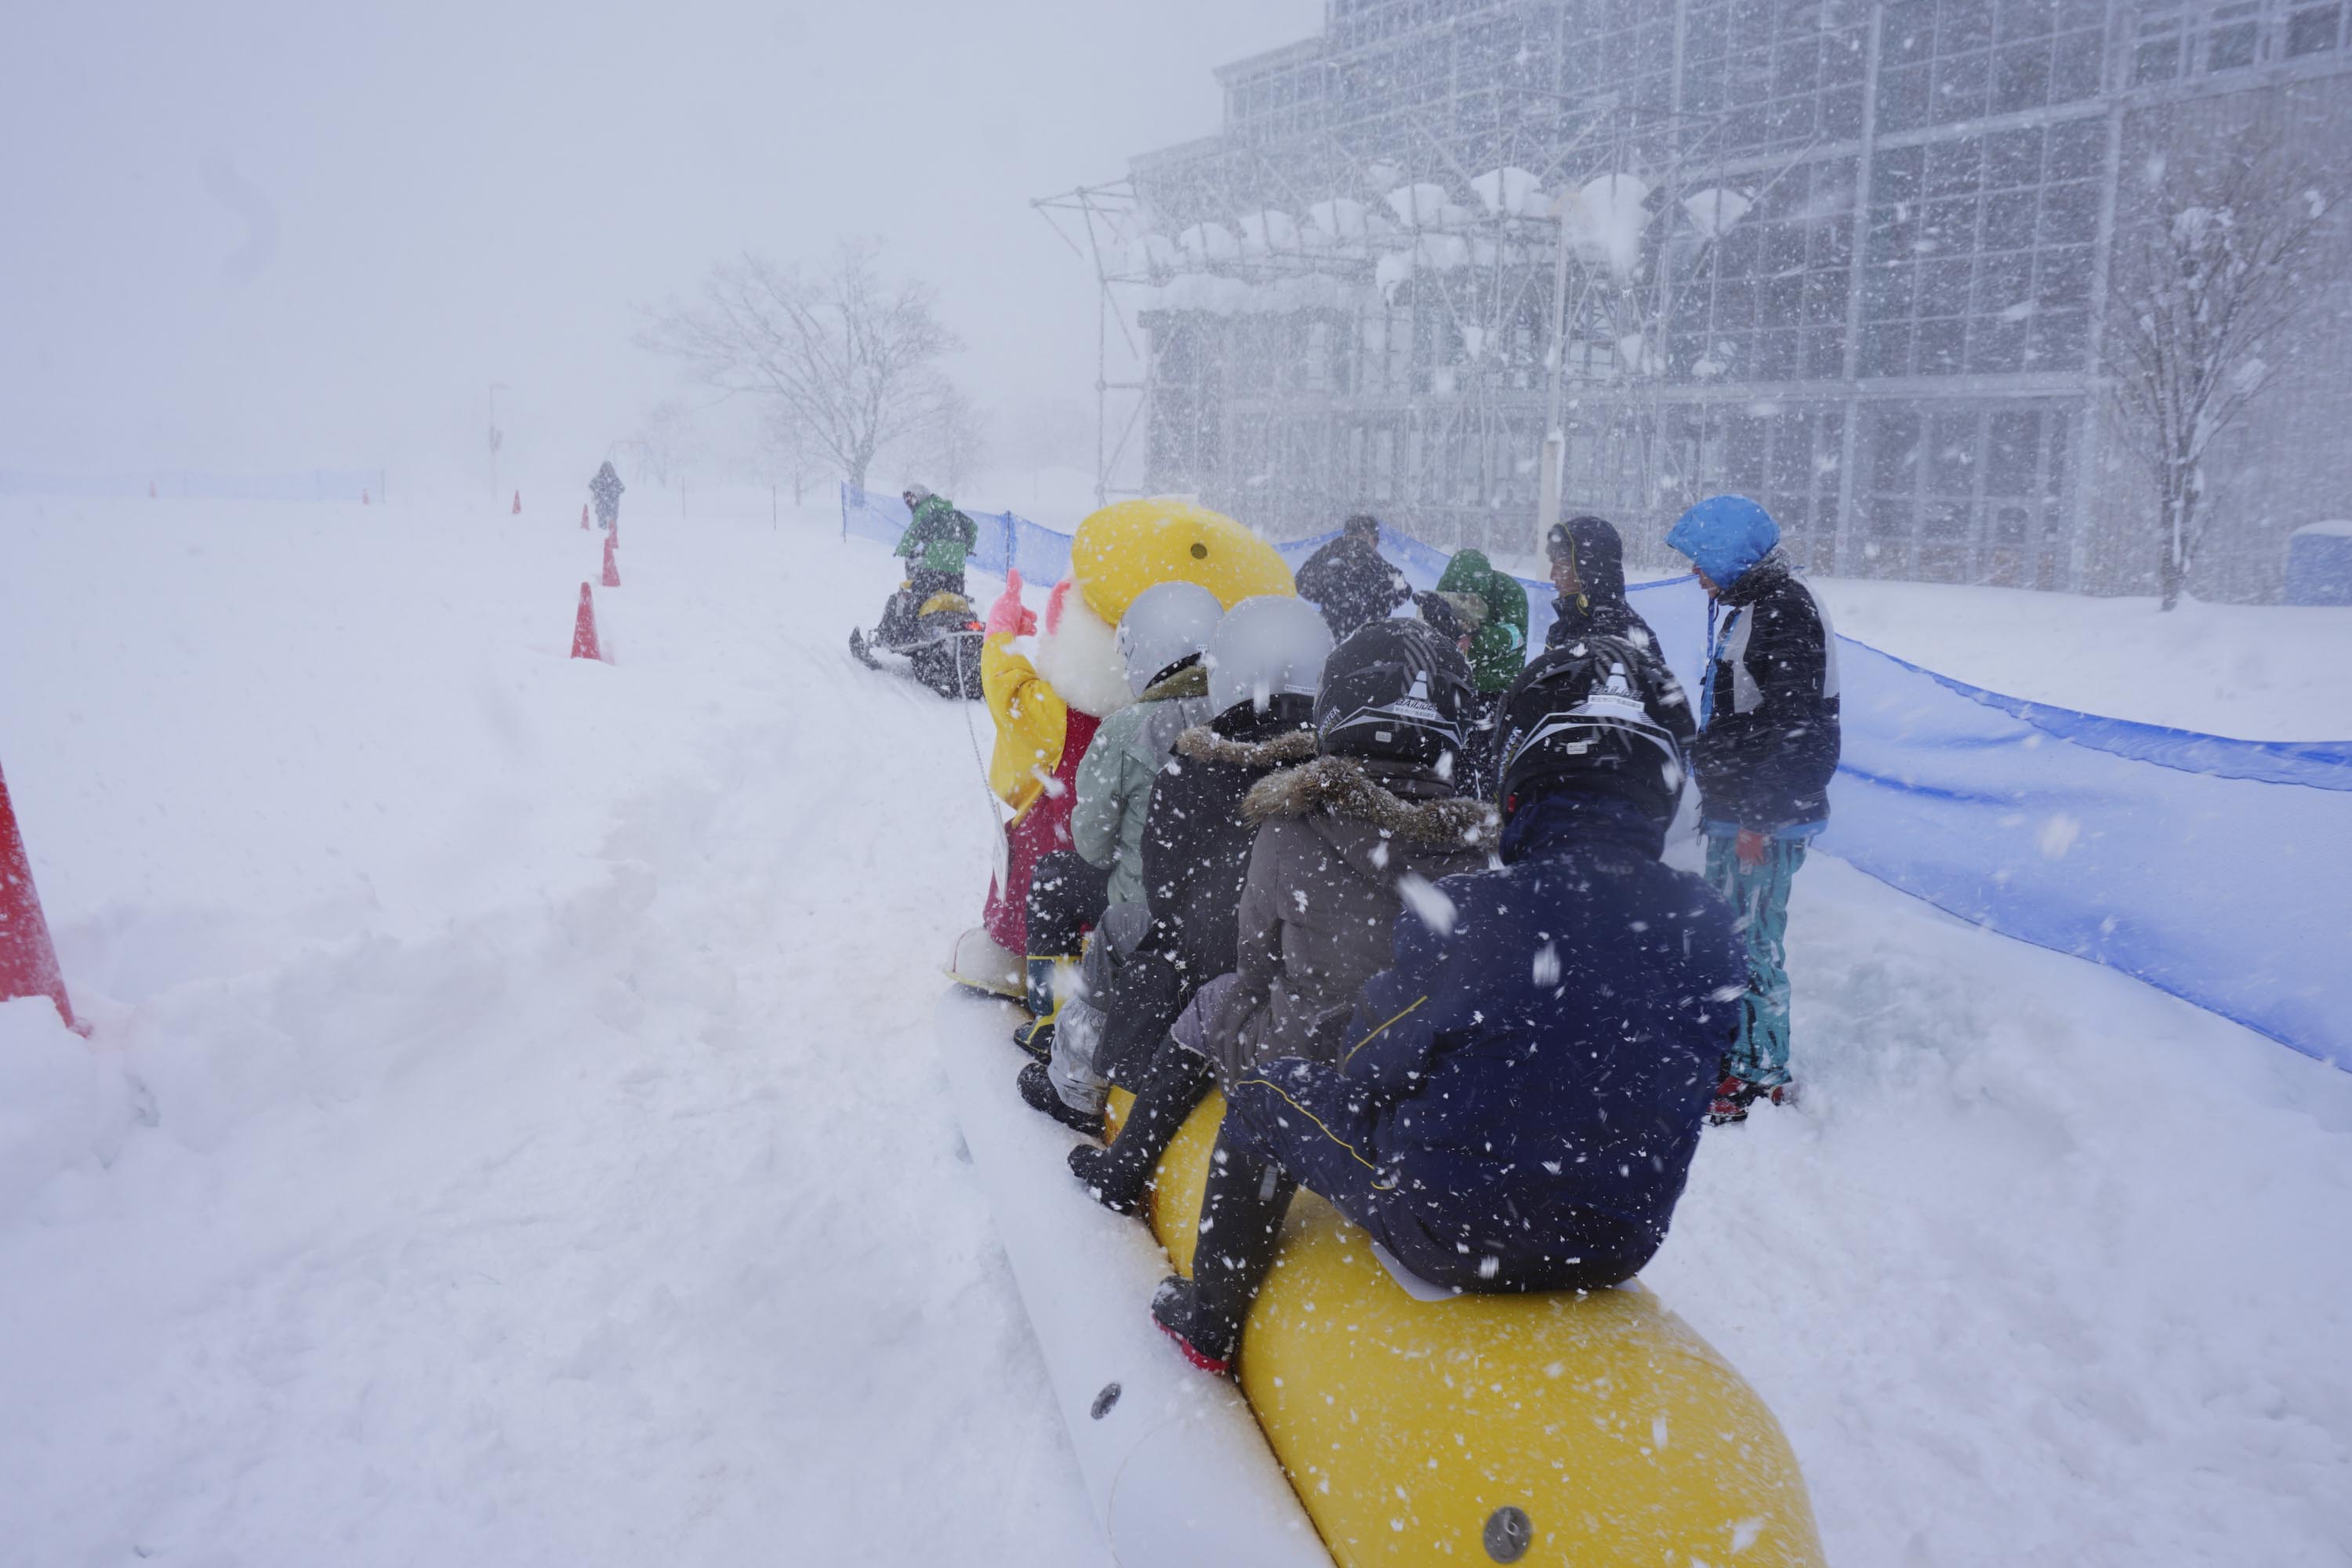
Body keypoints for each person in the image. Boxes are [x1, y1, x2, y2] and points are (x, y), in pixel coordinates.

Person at [1152, 639, 1744, 1375]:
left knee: (1267, 1095)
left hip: (1450, 1232)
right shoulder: (1710, 927)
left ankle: (1211, 1319)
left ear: (1521, 773)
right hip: (1620, 1240)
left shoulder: (1476, 913)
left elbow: (1369, 1066)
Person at [1143, 621, 1496, 1370]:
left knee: (1214, 1000)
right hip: (1411, 1086)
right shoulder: (1484, 851)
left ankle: (1145, 1187)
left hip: (1303, 1059)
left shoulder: (1290, 827)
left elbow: (1254, 958)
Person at [1062, 597, 1334, 1213]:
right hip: (1313, 979)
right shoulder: (1335, 771)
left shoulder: (1192, 764)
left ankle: (1080, 1087)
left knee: (1126, 936)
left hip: (1214, 967)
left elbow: (1158, 886)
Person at [1012, 582, 1223, 1127]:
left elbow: (1092, 841)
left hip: (1140, 907)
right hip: (1221, 911)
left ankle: (1053, 1021)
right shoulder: (1238, 716)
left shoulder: (1129, 728)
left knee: (1055, 878)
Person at [1664, 494, 1842, 1125]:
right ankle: (1731, 1053)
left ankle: (1757, 1073)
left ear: (1732, 556)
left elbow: (1797, 729)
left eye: (1701, 560)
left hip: (1761, 819)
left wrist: (1760, 820)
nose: (1694, 573)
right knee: (1727, 937)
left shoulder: (1783, 612)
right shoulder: (1753, 606)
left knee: (1751, 944)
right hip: (1738, 810)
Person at [1420, 547, 1528, 791]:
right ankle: (1457, 803)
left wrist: (1476, 637)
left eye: (1471, 599)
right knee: (1454, 755)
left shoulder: (1510, 594)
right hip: (1455, 686)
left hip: (1495, 689)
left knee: (1491, 760)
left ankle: (1491, 811)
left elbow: (1516, 637)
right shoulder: (1447, 587)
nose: (1465, 603)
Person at [877, 485, 980, 647]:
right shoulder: (951, 511)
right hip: (956, 567)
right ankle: (965, 640)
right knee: (956, 602)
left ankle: (908, 634)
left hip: (936, 563)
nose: (909, 504)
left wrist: (902, 549)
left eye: (910, 499)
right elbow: (973, 527)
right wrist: (967, 548)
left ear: (919, 497)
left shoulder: (925, 510)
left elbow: (914, 533)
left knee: (917, 594)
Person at [1544, 515, 1656, 651]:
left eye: (1561, 566)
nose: (1552, 575)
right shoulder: (1561, 630)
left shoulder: (1630, 634)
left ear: (1587, 571)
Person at [1294, 514, 1410, 640]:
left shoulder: (1380, 568)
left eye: (1376, 538)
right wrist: (1333, 550)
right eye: (1366, 537)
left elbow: (1403, 593)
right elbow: (1301, 583)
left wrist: (1374, 561)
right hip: (1335, 646)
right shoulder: (1332, 565)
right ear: (1348, 538)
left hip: (1371, 645)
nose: (1372, 543)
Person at [589, 461, 625, 531]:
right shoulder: (613, 478)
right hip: (609, 504)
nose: (607, 471)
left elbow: (592, 486)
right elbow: (621, 488)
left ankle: (607, 531)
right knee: (610, 520)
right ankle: (611, 533)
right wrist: (613, 494)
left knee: (605, 520)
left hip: (605, 504)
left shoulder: (600, 477)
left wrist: (599, 493)